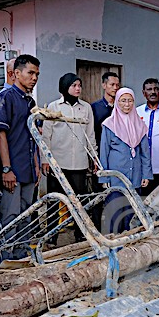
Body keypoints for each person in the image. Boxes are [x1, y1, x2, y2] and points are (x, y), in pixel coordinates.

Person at [0, 55, 40, 256]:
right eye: (30, 73)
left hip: (28, 167)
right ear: (17, 73)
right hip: (12, 169)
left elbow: (33, 136)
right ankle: (6, 258)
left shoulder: (30, 101)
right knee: (10, 215)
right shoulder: (6, 98)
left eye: (37, 74)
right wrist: (6, 168)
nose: (34, 78)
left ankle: (22, 257)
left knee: (26, 214)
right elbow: (0, 135)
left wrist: (36, 165)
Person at [43, 73, 96, 241]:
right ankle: (51, 238)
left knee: (79, 201)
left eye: (79, 85)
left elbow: (90, 135)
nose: (78, 88)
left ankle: (80, 235)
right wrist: (45, 160)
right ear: (65, 87)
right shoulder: (53, 107)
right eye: (74, 85)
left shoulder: (86, 108)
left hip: (79, 164)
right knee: (54, 201)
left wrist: (93, 157)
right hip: (58, 164)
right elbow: (46, 135)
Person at [99, 88, 151, 233]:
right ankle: (113, 240)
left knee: (132, 211)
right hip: (116, 176)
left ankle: (131, 239)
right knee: (114, 210)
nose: (127, 104)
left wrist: (146, 174)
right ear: (117, 102)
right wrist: (105, 177)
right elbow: (104, 152)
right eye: (123, 101)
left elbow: (145, 153)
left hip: (135, 175)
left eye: (130, 101)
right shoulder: (109, 124)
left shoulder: (140, 125)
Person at [91, 71, 120, 145]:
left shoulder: (121, 107)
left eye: (117, 85)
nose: (115, 88)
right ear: (104, 85)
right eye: (112, 84)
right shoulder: (94, 107)